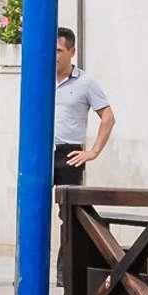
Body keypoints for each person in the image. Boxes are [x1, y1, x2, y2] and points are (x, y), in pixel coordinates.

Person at [51, 28, 114, 190]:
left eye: (59, 51)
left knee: (70, 209)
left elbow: (108, 118)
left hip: (69, 153)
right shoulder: (41, 79)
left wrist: (93, 152)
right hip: (40, 150)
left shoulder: (86, 82)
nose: (54, 55)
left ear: (72, 52)